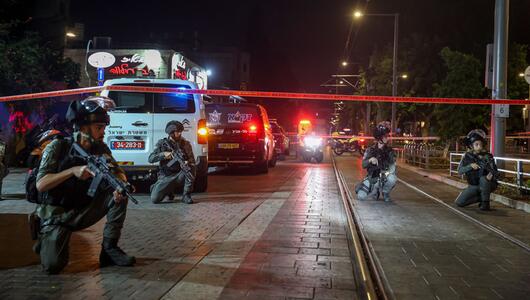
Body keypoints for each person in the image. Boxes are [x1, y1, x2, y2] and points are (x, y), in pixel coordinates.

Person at [32, 96, 135, 274]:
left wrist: (121, 185)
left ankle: (109, 249)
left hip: (81, 210)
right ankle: (44, 236)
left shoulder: (100, 148)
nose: (103, 132)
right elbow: (41, 184)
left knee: (119, 197)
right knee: (53, 266)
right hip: (57, 214)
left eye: (104, 127)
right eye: (99, 127)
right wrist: (72, 171)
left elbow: (117, 171)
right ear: (83, 128)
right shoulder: (57, 147)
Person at [149, 121, 195, 204]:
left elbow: (192, 161)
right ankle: (161, 189)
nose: (180, 134)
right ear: (171, 133)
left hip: (179, 175)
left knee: (190, 169)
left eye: (181, 132)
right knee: (154, 199)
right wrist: (163, 154)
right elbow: (150, 159)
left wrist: (187, 162)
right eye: (178, 132)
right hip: (166, 176)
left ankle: (186, 195)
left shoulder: (185, 144)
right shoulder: (163, 144)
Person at [455, 129, 499, 211]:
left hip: (487, 184)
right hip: (474, 186)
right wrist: (470, 166)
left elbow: (495, 171)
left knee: (484, 179)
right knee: (459, 203)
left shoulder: (488, 156)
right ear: (471, 146)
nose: (479, 146)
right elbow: (460, 171)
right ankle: (482, 198)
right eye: (476, 144)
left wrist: (490, 176)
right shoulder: (467, 156)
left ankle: (485, 203)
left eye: (480, 144)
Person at [355, 122, 397, 202]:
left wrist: (386, 163)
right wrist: (370, 160)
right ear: (379, 137)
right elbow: (363, 165)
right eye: (385, 136)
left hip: (384, 177)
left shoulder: (390, 151)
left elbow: (392, 167)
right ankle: (375, 191)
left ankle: (385, 192)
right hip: (373, 177)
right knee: (361, 196)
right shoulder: (370, 150)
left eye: (387, 136)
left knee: (392, 178)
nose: (387, 138)